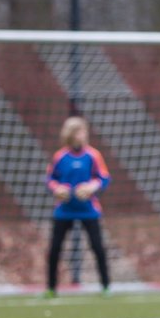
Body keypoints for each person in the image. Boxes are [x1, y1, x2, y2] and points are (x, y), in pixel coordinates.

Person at [44, 116, 111, 297]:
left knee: (97, 247)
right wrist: (58, 188)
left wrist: (91, 187)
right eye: (79, 131)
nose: (83, 135)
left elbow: (104, 178)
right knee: (55, 248)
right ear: (70, 134)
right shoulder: (60, 156)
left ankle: (106, 286)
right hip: (64, 209)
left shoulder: (93, 155)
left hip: (88, 209)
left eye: (83, 131)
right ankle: (51, 288)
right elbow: (50, 179)